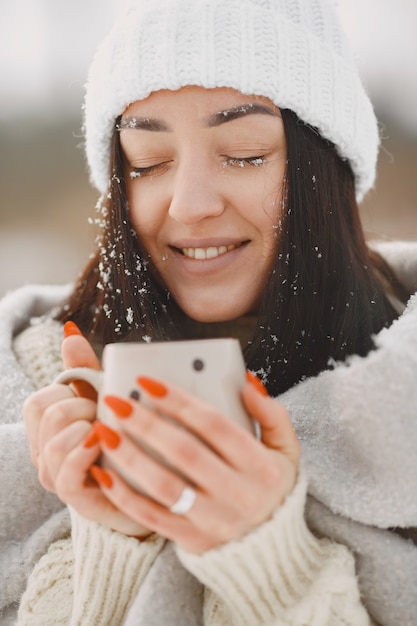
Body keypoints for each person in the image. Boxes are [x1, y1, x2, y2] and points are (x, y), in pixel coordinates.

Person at [1, 0, 416, 624]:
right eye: (148, 161)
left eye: (245, 152)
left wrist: (270, 561)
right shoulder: (30, 386)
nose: (189, 205)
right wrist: (111, 542)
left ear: (324, 167)